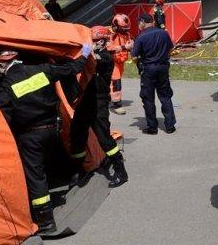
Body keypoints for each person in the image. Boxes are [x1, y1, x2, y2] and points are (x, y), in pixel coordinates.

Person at [0, 47, 90, 234]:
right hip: (54, 130)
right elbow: (71, 69)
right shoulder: (41, 70)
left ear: (3, 64)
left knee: (35, 175)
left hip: (31, 136)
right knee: (48, 163)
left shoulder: (5, 86)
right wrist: (84, 54)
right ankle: (71, 177)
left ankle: (45, 221)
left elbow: (1, 118)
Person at [69, 26, 128, 189]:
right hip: (85, 101)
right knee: (77, 134)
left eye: (94, 41)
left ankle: (120, 171)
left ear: (101, 41)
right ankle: (80, 169)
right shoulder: (92, 53)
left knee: (103, 137)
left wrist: (87, 52)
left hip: (99, 102)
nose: (91, 43)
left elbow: (94, 58)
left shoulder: (106, 57)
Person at [132, 13, 176, 135]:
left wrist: (140, 59)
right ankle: (170, 125)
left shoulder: (140, 37)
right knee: (165, 96)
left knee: (148, 98)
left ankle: (152, 127)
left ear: (142, 22)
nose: (138, 25)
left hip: (148, 69)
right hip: (163, 67)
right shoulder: (163, 33)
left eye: (138, 22)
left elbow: (134, 57)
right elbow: (171, 49)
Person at [107, 14, 133, 115]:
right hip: (112, 61)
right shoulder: (109, 34)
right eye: (123, 28)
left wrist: (131, 46)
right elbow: (108, 48)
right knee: (116, 82)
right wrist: (123, 47)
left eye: (126, 28)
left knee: (111, 81)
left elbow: (129, 43)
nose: (125, 30)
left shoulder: (126, 33)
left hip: (121, 61)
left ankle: (108, 98)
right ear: (116, 25)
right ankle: (117, 104)